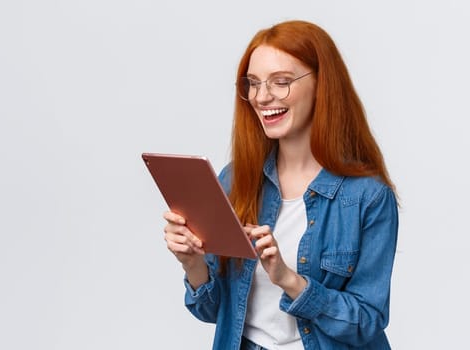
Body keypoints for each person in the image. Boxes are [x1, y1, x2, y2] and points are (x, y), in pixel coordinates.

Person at [162, 20, 399, 350]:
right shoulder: (235, 180)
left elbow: (368, 321)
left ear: (322, 86)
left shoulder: (367, 197)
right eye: (254, 83)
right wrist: (193, 263)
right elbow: (213, 310)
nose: (262, 97)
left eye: (281, 82)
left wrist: (290, 281)